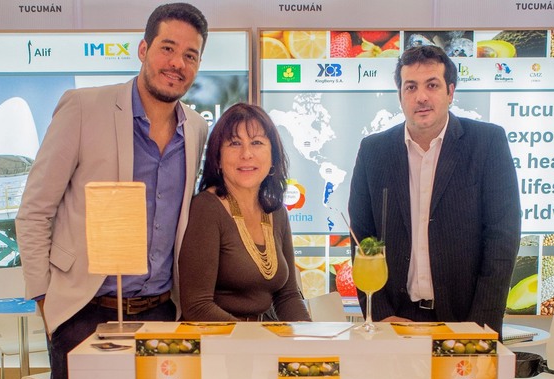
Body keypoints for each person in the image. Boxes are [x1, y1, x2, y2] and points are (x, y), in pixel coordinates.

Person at [15, 4, 209, 379]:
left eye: (190, 55)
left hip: (160, 312)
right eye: (167, 48)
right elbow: (35, 209)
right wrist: (45, 299)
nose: (177, 63)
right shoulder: (85, 108)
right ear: (143, 49)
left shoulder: (197, 129)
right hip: (84, 311)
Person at [348, 45, 520, 334]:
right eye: (411, 87)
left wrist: (480, 325)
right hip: (396, 319)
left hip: (467, 319)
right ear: (400, 95)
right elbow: (361, 236)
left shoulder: (487, 143)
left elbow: (502, 238)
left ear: (450, 92)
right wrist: (380, 313)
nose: (421, 97)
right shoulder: (373, 151)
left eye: (432, 85)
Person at [179, 103, 310, 322]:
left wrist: (311, 336)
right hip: (218, 338)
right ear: (218, 158)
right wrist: (253, 337)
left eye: (257, 142)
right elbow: (197, 306)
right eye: (235, 143)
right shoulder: (207, 208)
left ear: (273, 157)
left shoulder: (276, 211)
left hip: (259, 335)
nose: (246, 154)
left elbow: (287, 296)